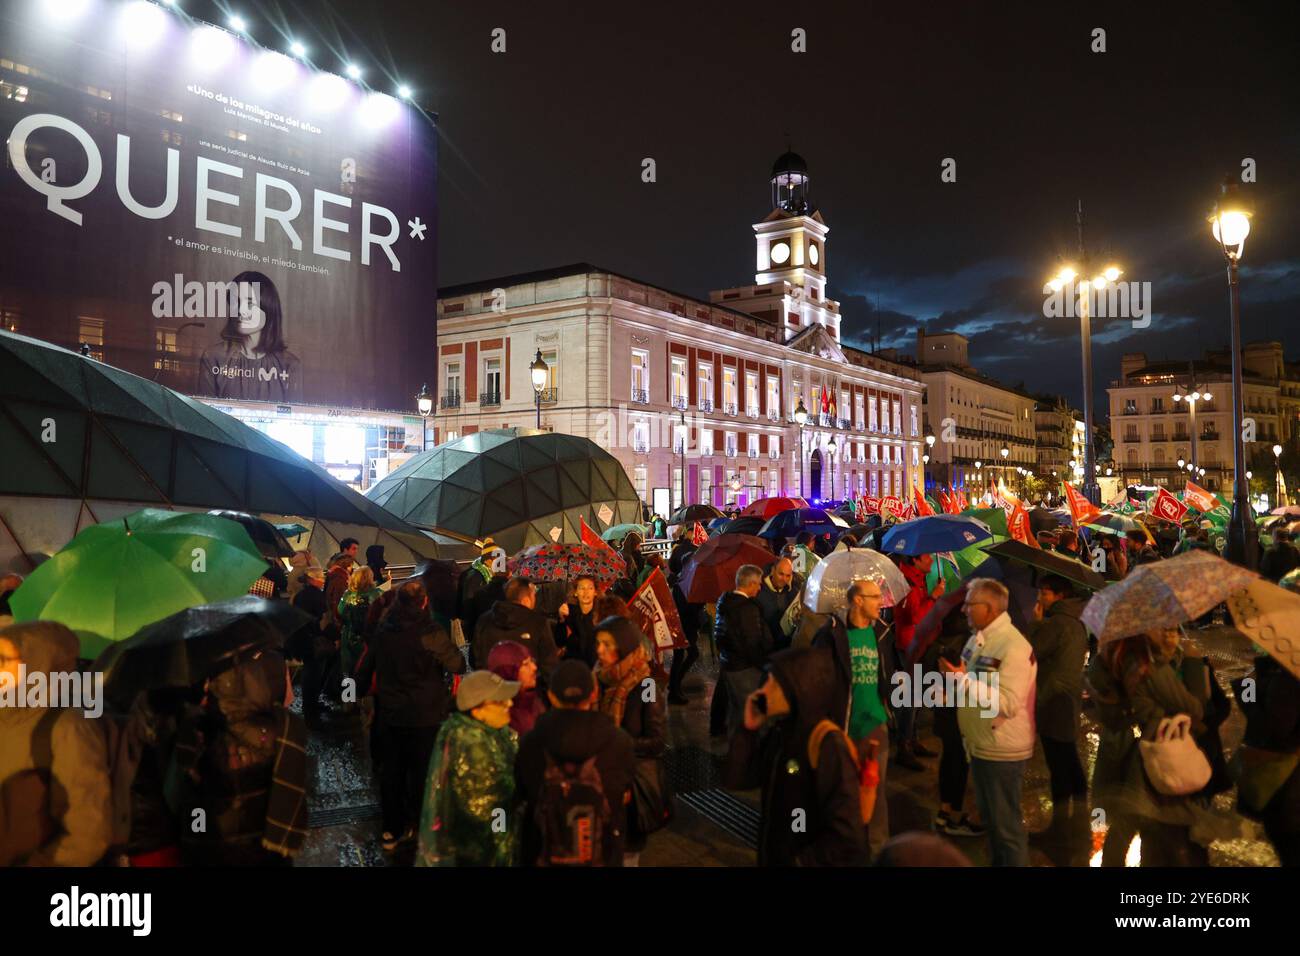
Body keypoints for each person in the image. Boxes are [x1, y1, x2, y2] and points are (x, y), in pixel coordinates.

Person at [723, 646, 869, 866]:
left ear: (799, 688)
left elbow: (848, 837)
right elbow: (739, 778)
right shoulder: (782, 732)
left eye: (774, 681)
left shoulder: (827, 744)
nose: (765, 688)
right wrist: (748, 730)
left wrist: (799, 862)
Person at [165, 649, 309, 865]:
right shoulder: (282, 728)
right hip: (265, 850)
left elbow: (177, 796)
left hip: (217, 846)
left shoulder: (200, 729)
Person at [355, 580, 466, 851]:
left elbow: (364, 671)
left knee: (391, 773)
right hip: (425, 715)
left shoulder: (383, 631)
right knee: (423, 773)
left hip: (391, 715)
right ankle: (421, 825)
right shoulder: (431, 632)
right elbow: (457, 664)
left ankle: (391, 830)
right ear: (424, 602)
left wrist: (354, 698)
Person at [1087, 627, 1210, 866]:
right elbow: (1197, 708)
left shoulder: (1107, 660)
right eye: (1163, 628)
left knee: (1124, 826)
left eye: (1174, 630)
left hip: (1118, 752)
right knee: (1159, 831)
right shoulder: (1147, 666)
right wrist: (1195, 663)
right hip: (1152, 758)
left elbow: (1106, 710)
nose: (1169, 635)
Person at [939, 578, 1036, 866]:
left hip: (1002, 751)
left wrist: (961, 680)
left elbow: (1007, 703)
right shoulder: (979, 638)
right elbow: (973, 680)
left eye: (969, 605)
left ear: (989, 609)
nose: (963, 610)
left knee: (1006, 830)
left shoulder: (1013, 646)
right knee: (994, 827)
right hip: (980, 746)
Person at [0, 622, 112, 866]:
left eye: (3, 660)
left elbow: (88, 832)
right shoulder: (5, 718)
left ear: (37, 664)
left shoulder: (68, 727)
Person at [514, 660, 637, 866]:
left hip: (543, 851)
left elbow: (523, 792)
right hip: (603, 853)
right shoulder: (619, 742)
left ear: (551, 696)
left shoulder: (530, 742)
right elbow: (623, 792)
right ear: (594, 694)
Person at [811, 580, 895, 855]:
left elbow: (886, 674)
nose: (880, 602)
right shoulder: (831, 635)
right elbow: (818, 679)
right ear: (857, 600)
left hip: (875, 727)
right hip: (843, 727)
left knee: (875, 791)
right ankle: (842, 847)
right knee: (842, 793)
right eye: (874, 597)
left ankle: (876, 849)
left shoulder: (881, 632)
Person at [415, 670, 520, 867]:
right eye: (499, 701)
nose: (509, 704)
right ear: (477, 710)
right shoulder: (472, 745)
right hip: (479, 853)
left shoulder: (485, 732)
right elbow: (491, 808)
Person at [594, 617, 666, 866]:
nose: (599, 651)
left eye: (607, 645)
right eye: (598, 644)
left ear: (623, 646)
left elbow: (657, 741)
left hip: (631, 784)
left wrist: (619, 744)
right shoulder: (600, 679)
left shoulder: (646, 685)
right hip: (603, 781)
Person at [1026, 574, 1090, 857]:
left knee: (1059, 766)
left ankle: (1060, 832)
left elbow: (1032, 652)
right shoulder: (1076, 621)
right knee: (1070, 759)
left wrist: (1036, 623)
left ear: (1060, 595)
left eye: (1045, 592)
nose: (1040, 596)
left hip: (1053, 700)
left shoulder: (1056, 624)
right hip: (1068, 699)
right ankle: (1079, 818)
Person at [1233, 655, 1300, 866]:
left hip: (1286, 785)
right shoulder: (1279, 669)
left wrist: (1245, 684)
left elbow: (1270, 727)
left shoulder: (1289, 679)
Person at [196, 271, 303, 401]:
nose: (241, 310)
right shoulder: (214, 357)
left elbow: (293, 418)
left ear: (268, 308)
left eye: (250, 303)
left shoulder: (289, 364)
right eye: (236, 302)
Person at [892, 553, 945, 770]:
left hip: (919, 642)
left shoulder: (917, 579)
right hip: (909, 645)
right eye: (927, 558)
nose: (931, 561)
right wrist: (933, 597)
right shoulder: (907, 582)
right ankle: (903, 747)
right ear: (915, 560)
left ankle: (911, 741)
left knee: (914, 698)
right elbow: (914, 617)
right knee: (909, 700)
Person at [713, 564, 773, 736]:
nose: (760, 587)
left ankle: (735, 747)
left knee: (735, 711)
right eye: (758, 584)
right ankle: (746, 753)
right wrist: (763, 665)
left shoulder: (725, 602)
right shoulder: (747, 609)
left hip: (730, 664)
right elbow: (752, 642)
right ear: (751, 584)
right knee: (750, 713)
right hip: (745, 668)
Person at [473, 577, 561, 677]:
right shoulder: (537, 623)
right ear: (526, 600)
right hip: (525, 687)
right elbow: (549, 663)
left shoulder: (484, 620)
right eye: (533, 595)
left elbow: (475, 657)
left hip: (492, 685)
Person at [289, 565, 329, 727]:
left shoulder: (301, 595)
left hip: (303, 640)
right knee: (312, 675)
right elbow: (320, 621)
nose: (323, 580)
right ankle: (311, 713)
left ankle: (311, 705)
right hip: (312, 641)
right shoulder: (315, 596)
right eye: (321, 577)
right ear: (313, 579)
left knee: (310, 672)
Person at [488, 641, 545, 737]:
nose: (534, 667)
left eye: (532, 661)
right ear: (508, 672)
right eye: (526, 664)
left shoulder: (534, 701)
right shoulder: (499, 714)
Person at [337, 565, 382, 681]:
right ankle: (367, 694)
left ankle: (350, 695)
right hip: (371, 636)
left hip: (350, 634)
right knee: (370, 667)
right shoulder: (377, 594)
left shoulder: (348, 594)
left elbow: (340, 612)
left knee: (349, 669)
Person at [755, 556, 803, 652]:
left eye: (788, 575)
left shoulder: (794, 592)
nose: (784, 579)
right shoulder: (758, 592)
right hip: (768, 650)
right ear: (773, 571)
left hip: (788, 648)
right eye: (781, 574)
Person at [459, 545, 507, 640]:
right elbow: (469, 604)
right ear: (488, 561)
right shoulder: (475, 577)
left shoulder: (486, 573)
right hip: (479, 628)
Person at [557, 574, 600, 667]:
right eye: (581, 588)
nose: (586, 592)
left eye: (590, 588)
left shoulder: (600, 614)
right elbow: (560, 641)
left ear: (595, 592)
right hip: (572, 664)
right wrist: (561, 618)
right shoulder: (568, 611)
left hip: (594, 665)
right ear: (575, 592)